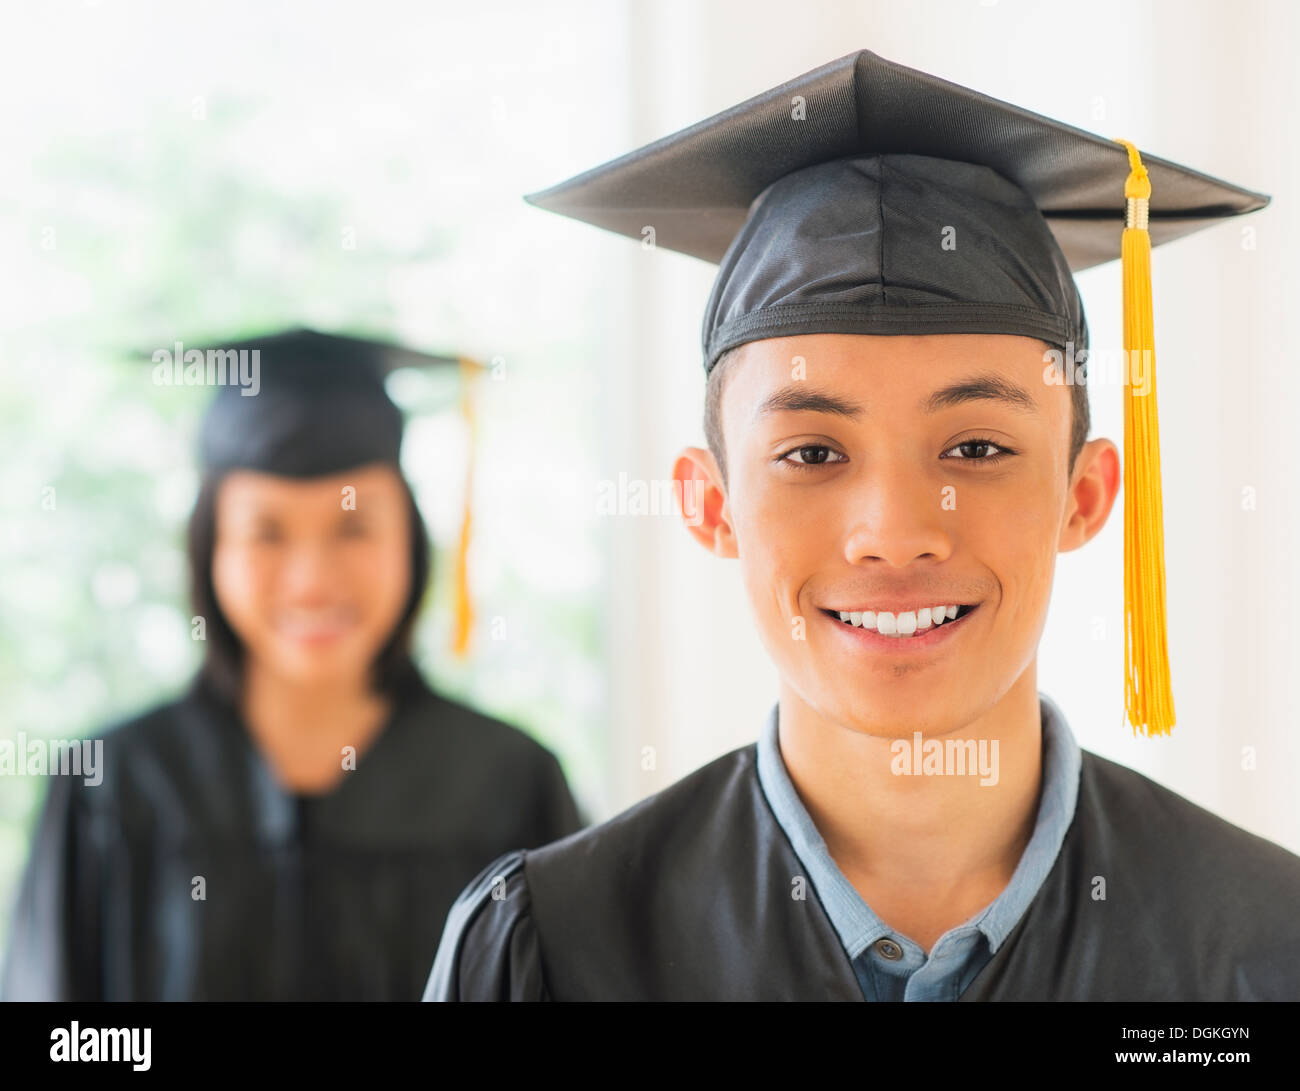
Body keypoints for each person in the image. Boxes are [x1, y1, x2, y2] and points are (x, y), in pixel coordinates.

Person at [424, 50, 1300, 1001]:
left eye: (975, 448)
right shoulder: (555, 950)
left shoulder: (1259, 949)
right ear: (711, 504)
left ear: (1083, 497)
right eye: (811, 453)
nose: (894, 532)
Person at [2, 328, 582, 1001]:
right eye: (265, 532)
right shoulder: (111, 787)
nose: (311, 580)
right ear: (209, 546)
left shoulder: (510, 783)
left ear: (411, 538)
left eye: (354, 527)